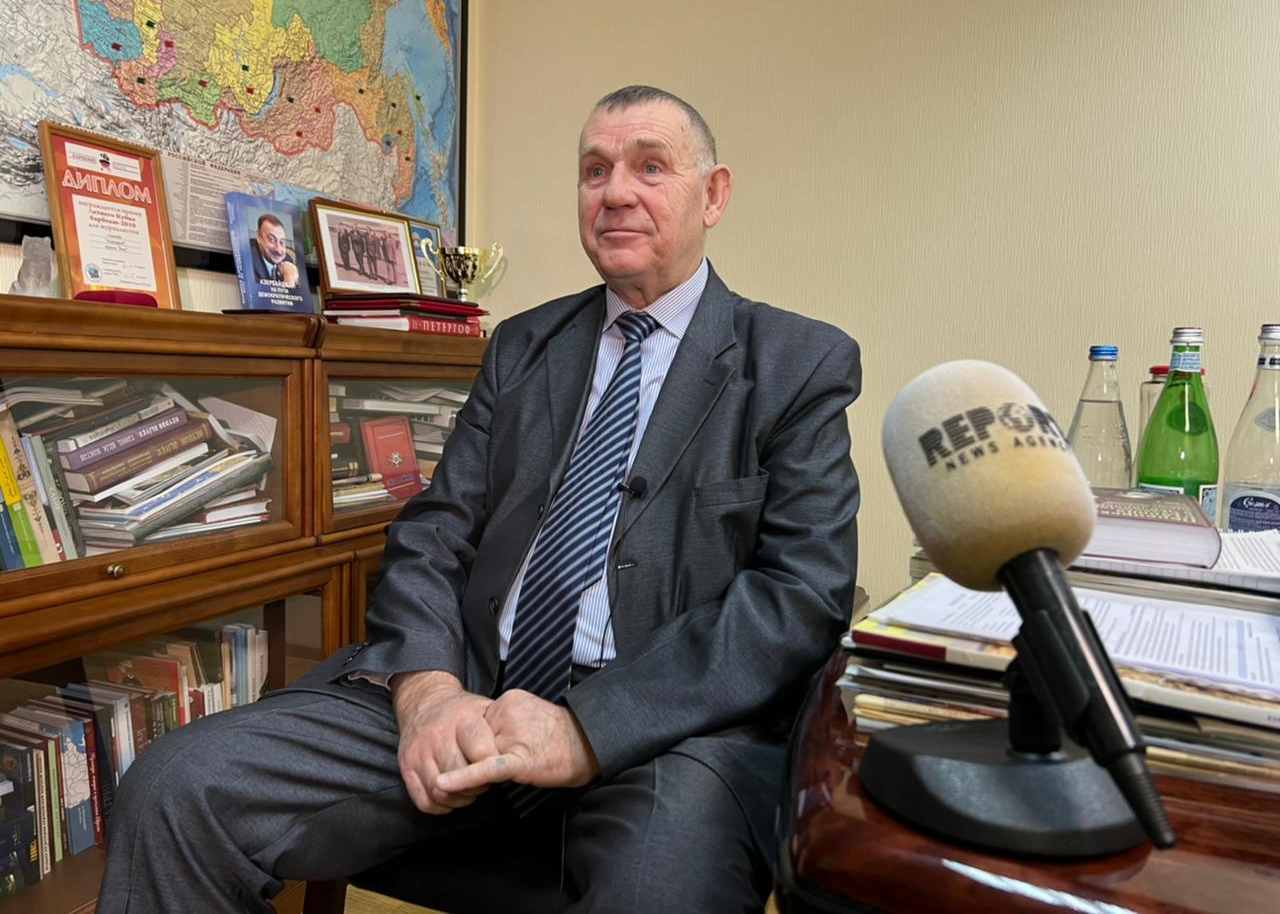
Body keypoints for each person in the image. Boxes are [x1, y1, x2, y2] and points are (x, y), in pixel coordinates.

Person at [98, 85, 861, 913]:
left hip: (665, 731)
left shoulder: (796, 364)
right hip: (467, 688)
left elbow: (800, 597)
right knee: (175, 787)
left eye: (650, 167)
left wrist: (586, 727)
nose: (615, 192)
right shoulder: (523, 346)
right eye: (594, 170)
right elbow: (434, 533)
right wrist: (428, 692)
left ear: (713, 195)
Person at [248, 214, 299, 287]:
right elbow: (259, 293)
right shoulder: (248, 259)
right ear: (259, 237)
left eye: (281, 242)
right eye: (272, 240)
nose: (278, 250)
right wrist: (289, 279)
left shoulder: (287, 260)